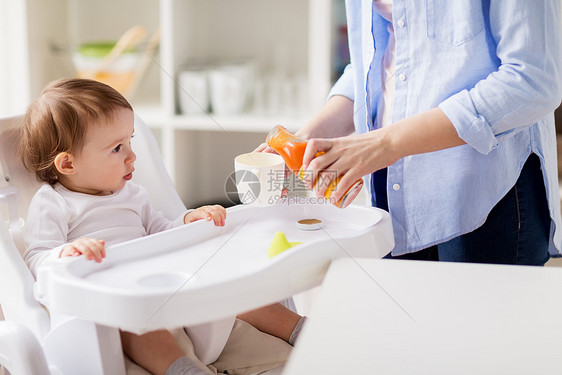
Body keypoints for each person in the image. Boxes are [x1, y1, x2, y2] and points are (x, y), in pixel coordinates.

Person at [21, 78, 305, 375]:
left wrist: (187, 221)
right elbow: (37, 258)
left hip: (165, 284)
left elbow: (159, 231)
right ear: (67, 164)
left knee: (233, 291)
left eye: (130, 140)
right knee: (134, 326)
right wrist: (67, 252)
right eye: (117, 148)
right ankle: (181, 368)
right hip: (117, 302)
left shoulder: (133, 194)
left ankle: (299, 329)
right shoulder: (53, 203)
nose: (132, 156)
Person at [259, 1, 562, 264]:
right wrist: (304, 140)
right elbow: (376, 59)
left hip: (484, 189)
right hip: (390, 179)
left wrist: (384, 144)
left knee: (474, 329)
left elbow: (532, 81)